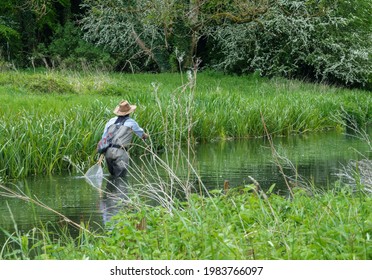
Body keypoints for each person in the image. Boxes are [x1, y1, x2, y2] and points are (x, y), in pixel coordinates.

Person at [102, 100, 148, 177]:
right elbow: (142, 135)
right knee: (120, 179)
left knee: (112, 177)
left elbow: (104, 137)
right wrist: (146, 136)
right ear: (129, 112)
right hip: (120, 152)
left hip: (108, 152)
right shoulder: (131, 122)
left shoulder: (110, 121)